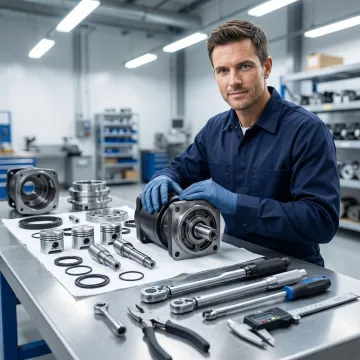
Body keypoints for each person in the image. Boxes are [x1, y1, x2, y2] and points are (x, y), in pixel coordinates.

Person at [141, 20, 340, 267]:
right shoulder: (215, 130)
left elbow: (321, 222)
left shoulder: (306, 130)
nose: (233, 81)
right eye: (222, 70)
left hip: (293, 267)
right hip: (231, 257)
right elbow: (182, 168)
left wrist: (237, 204)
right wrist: (163, 176)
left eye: (244, 66)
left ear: (266, 67)